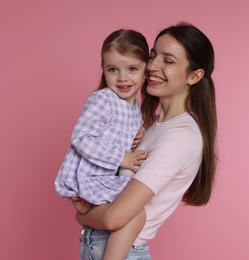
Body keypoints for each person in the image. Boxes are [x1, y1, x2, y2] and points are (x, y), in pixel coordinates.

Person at [73, 22, 218, 259]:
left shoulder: (180, 137)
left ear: (194, 75)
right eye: (153, 56)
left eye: (168, 61)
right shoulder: (153, 126)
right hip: (102, 246)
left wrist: (81, 215)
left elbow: (114, 217)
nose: (152, 66)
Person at [54, 29, 150, 259]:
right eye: (113, 69)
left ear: (146, 70)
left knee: (132, 208)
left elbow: (121, 131)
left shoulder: (134, 107)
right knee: (134, 212)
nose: (123, 78)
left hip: (106, 177)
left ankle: (87, 210)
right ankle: (84, 203)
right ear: (104, 70)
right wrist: (123, 158)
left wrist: (141, 132)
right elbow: (81, 138)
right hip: (92, 175)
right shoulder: (103, 99)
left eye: (132, 69)